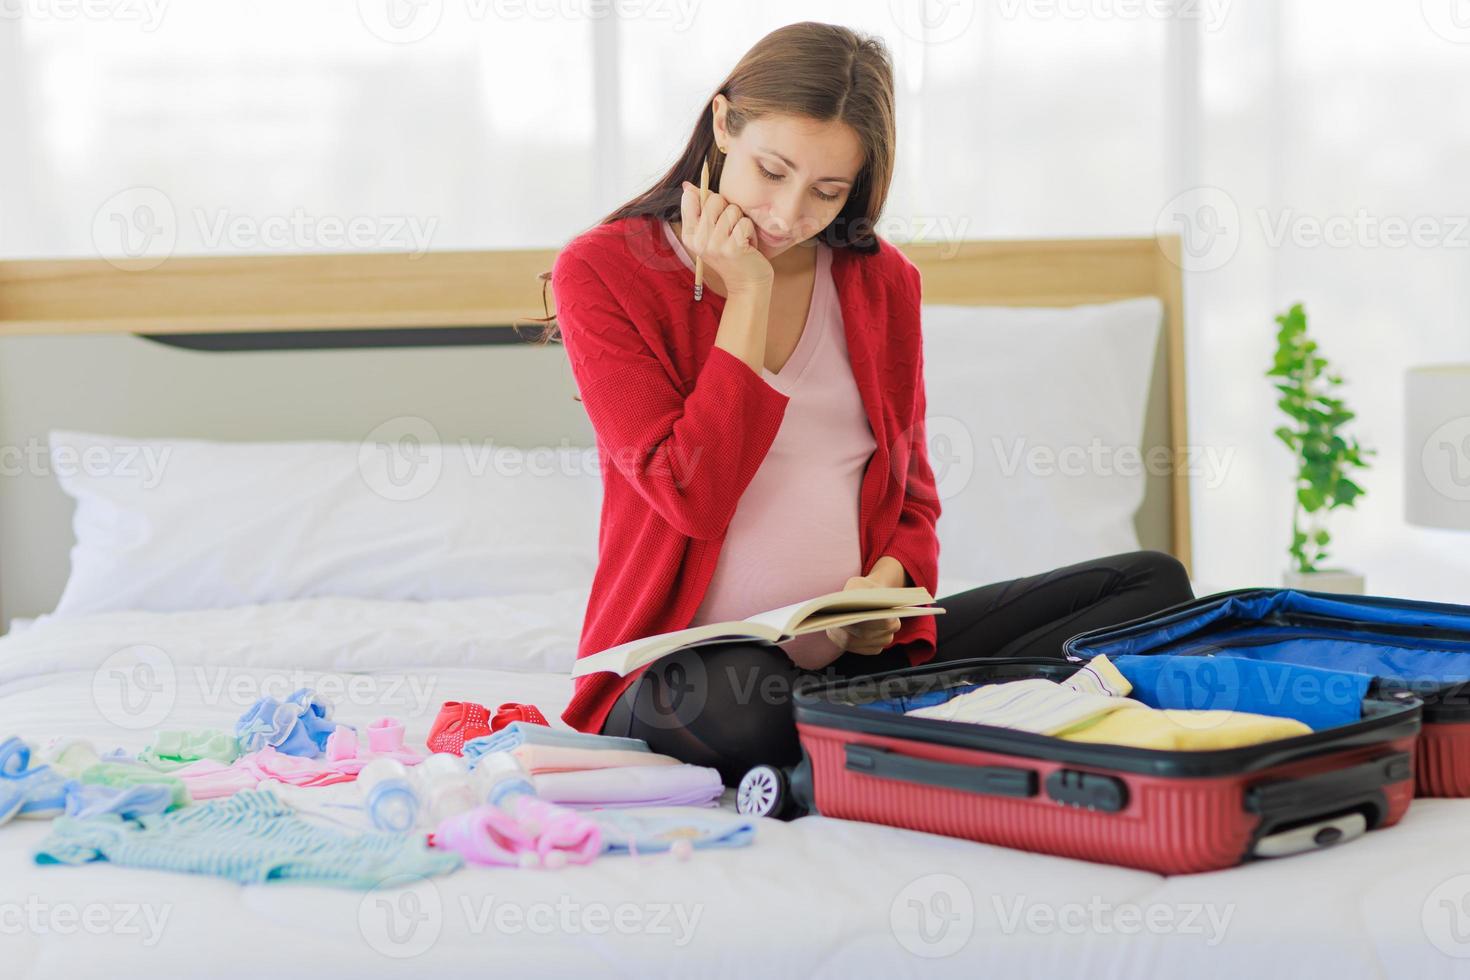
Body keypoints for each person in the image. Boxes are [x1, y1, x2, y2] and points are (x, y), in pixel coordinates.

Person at [534, 22, 1194, 785]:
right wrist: (746, 293)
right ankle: (953, 719)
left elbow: (911, 501)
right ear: (723, 124)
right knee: (744, 703)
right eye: (771, 171)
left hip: (851, 666)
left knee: (1151, 587)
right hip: (689, 670)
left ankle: (880, 728)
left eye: (826, 191)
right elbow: (691, 493)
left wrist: (887, 592)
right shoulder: (605, 270)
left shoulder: (882, 283)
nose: (785, 215)